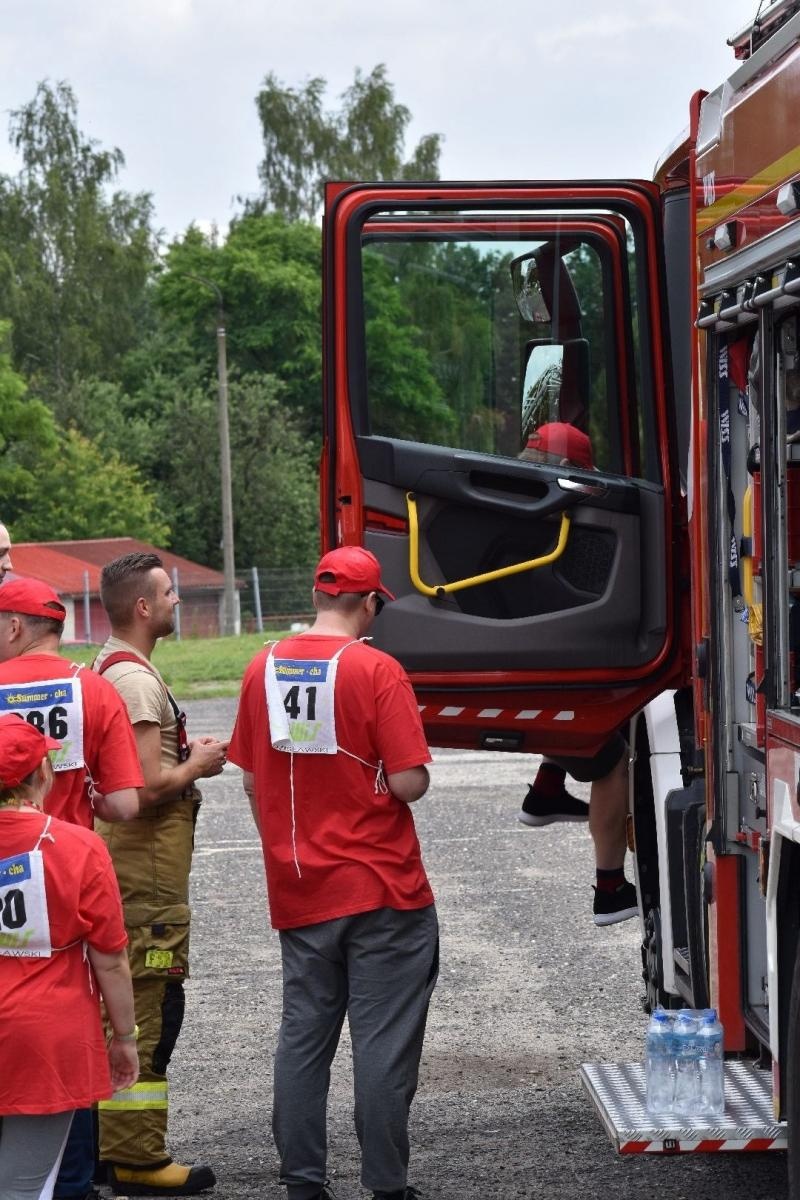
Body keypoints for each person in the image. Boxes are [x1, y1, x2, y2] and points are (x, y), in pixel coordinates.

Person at [228, 546, 438, 1200]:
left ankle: (303, 1182)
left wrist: (285, 852)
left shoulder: (261, 666)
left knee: (303, 1038)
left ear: (318, 596)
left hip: (301, 885)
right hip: (382, 886)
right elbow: (408, 783)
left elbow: (251, 779)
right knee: (382, 1043)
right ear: (369, 602)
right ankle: (386, 1184)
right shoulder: (377, 669)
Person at [0, 576, 144, 1200]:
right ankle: (71, 1180)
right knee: (64, 1033)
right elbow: (125, 803)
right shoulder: (95, 688)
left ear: (12, 627)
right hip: (65, 875)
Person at [93, 552, 228, 1197]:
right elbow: (145, 787)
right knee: (149, 1009)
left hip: (131, 869)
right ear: (143, 607)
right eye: (169, 592)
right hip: (145, 875)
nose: (178, 600)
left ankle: (106, 1148)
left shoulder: (110, 666)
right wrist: (198, 765)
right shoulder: (136, 683)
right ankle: (136, 1158)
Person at [518, 422, 636, 926]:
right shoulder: (579, 528)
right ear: (571, 471)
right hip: (561, 668)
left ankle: (546, 790)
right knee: (612, 760)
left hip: (530, 662)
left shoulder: (519, 512)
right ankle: (610, 888)